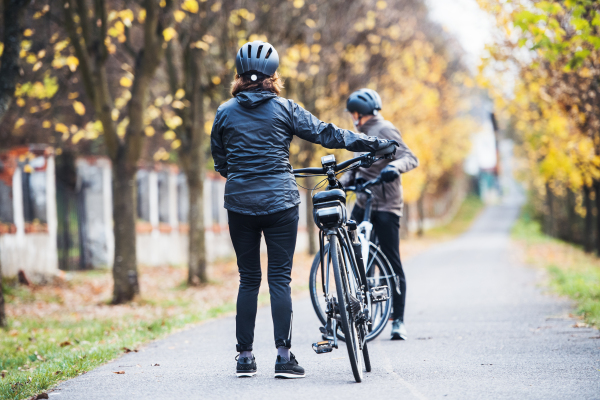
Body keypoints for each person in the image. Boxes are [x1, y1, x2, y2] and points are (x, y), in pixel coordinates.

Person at [210, 42, 398, 379]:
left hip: (239, 204)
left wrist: (242, 176)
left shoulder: (224, 112)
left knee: (248, 279)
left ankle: (245, 359)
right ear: (273, 76)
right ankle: (284, 358)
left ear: (238, 75)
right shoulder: (285, 109)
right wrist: (369, 143)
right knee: (280, 279)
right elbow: (326, 133)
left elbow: (221, 162)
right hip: (281, 202)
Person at [340, 88, 419, 340]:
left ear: (357, 113)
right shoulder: (360, 135)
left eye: (353, 113)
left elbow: (409, 157)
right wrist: (340, 182)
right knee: (357, 257)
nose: (352, 117)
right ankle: (359, 313)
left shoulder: (384, 130)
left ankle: (398, 320)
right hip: (364, 202)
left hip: (385, 204)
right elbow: (357, 169)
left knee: (391, 261)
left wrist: (394, 167)